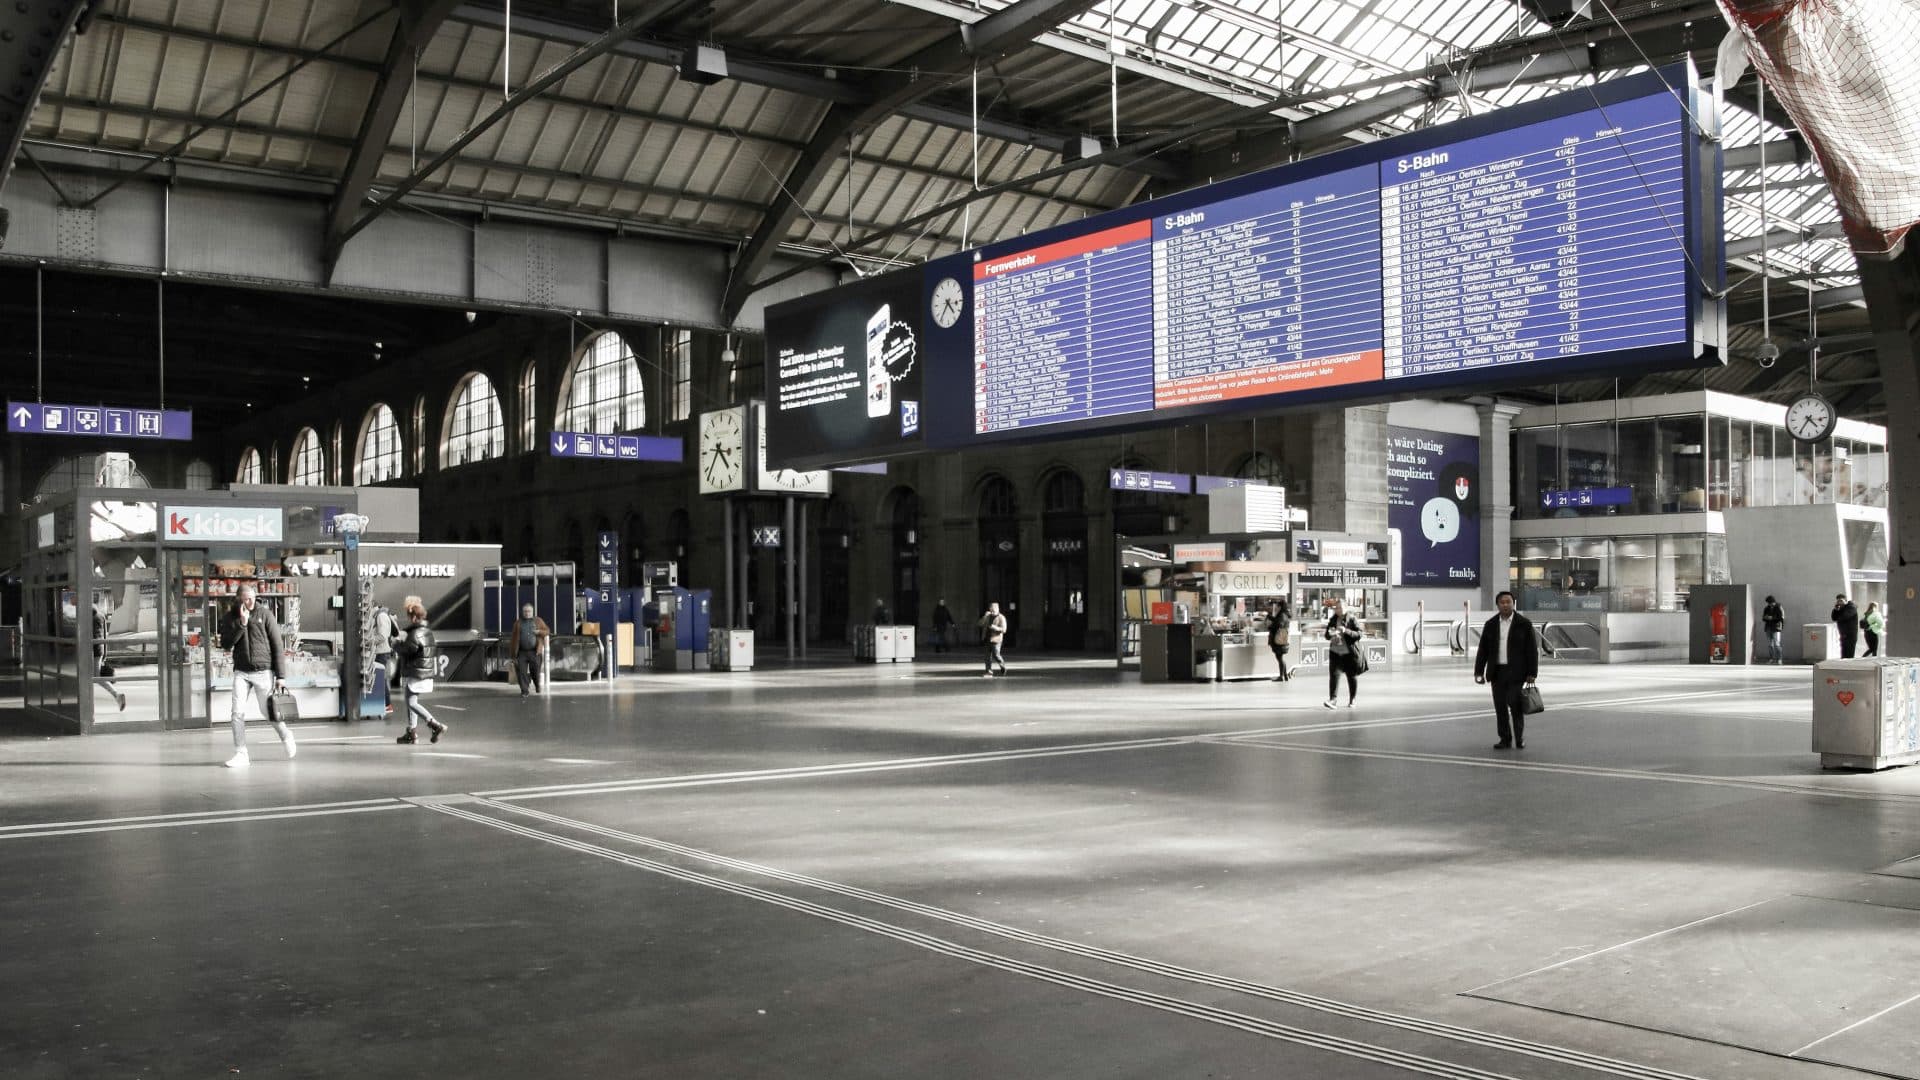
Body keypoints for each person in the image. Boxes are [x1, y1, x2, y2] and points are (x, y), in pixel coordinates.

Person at [216, 584, 296, 768]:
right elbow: (226, 644)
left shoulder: (265, 614)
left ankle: (286, 735)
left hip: (263, 671)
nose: (250, 601)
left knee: (268, 712)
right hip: (241, 672)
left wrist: (280, 676)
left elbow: (277, 645)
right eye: (246, 598)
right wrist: (242, 624)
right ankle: (241, 753)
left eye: (252, 597)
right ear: (238, 599)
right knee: (237, 713)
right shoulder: (230, 618)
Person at [1474, 591, 1539, 750]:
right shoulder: (1490, 624)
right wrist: (1478, 671)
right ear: (1497, 605)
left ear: (1513, 603)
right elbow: (1483, 650)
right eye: (1502, 602)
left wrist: (1532, 673)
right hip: (1497, 672)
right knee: (1500, 707)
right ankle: (1504, 738)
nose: (1505, 605)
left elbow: (1532, 650)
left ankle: (1519, 737)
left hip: (1517, 672)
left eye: (1508, 602)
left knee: (1515, 706)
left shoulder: (1524, 623)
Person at [392, 601, 447, 744]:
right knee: (410, 700)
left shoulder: (414, 634)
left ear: (413, 617)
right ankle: (411, 732)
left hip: (416, 672)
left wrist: (396, 643)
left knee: (411, 702)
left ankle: (435, 725)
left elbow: (406, 650)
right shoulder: (427, 631)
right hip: (424, 671)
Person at [1321, 598, 1362, 708]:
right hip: (1335, 652)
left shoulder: (1352, 619)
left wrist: (1346, 631)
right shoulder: (1333, 619)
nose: (1338, 610)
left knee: (1351, 676)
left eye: (1340, 607)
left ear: (1346, 608)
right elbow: (1326, 635)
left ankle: (1352, 699)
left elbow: (1359, 634)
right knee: (1334, 676)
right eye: (1336, 608)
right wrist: (1330, 634)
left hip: (1349, 654)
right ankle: (1333, 700)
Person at [512, 602, 552, 697]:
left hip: (535, 652)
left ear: (532, 611)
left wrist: (539, 632)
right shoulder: (518, 623)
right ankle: (524, 691)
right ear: (522, 612)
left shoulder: (538, 620)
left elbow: (547, 631)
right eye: (525, 611)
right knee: (521, 672)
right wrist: (512, 655)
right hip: (521, 652)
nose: (527, 613)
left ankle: (537, 685)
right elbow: (513, 639)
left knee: (535, 671)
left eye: (529, 611)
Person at [92, 608, 126, 712]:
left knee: (96, 677)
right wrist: (105, 655)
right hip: (99, 650)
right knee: (94, 677)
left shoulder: (88, 617)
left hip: (92, 651)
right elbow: (105, 636)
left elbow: (90, 636)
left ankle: (117, 695)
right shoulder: (101, 615)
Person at [371, 602, 399, 715]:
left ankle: (387, 705)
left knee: (380, 679)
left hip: (381, 652)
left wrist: (368, 641)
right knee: (381, 679)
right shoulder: (380, 615)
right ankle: (385, 704)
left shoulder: (381, 616)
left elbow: (382, 636)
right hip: (381, 652)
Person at [978, 601, 1008, 677]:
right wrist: (984, 617)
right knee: (987, 657)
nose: (992, 611)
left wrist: (996, 628)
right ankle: (989, 672)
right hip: (987, 639)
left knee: (996, 655)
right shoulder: (988, 616)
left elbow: (1004, 630)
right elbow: (980, 624)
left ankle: (1002, 666)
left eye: (994, 609)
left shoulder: (1001, 617)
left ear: (998, 609)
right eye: (991, 609)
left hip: (996, 639)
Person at [1266, 599, 1292, 682]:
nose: (1276, 607)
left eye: (1277, 606)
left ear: (1280, 606)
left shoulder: (1282, 615)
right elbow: (1278, 621)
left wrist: (1270, 627)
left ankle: (1281, 676)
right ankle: (1285, 675)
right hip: (1283, 638)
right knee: (1280, 658)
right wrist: (1270, 617)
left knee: (1279, 658)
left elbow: (1279, 624)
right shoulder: (1284, 614)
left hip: (1279, 639)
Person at [1833, 594, 1860, 658]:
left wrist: (1841, 609)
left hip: (1850, 636)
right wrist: (1836, 609)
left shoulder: (1851, 607)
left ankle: (1849, 667)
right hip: (1843, 635)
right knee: (1843, 654)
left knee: (1849, 655)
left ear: (1845, 600)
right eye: (1838, 601)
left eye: (1841, 600)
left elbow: (1844, 617)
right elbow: (1834, 618)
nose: (1840, 602)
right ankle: (1843, 667)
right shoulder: (1841, 608)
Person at [1761, 595, 1785, 665]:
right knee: (1770, 645)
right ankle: (1771, 659)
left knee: (1777, 644)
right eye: (1768, 603)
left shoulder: (1779, 607)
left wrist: (1772, 618)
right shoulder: (1766, 608)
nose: (1769, 604)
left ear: (1773, 602)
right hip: (1768, 628)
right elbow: (1763, 618)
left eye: (1770, 603)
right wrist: (1766, 618)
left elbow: (1781, 618)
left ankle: (1779, 659)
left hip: (1776, 628)